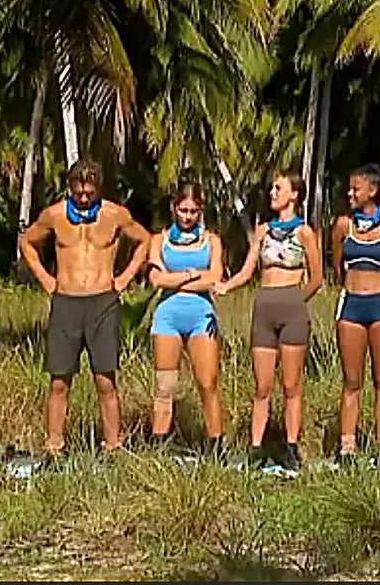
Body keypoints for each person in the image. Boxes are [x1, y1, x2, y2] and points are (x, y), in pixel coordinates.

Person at [19, 158, 152, 457]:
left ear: (98, 188)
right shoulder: (54, 215)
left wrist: (125, 278)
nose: (83, 198)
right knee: (59, 380)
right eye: (78, 192)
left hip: (102, 301)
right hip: (66, 301)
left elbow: (145, 240)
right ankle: (54, 446)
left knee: (105, 379)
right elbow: (27, 242)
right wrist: (46, 279)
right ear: (70, 187)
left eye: (89, 193)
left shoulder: (115, 214)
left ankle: (113, 446)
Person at [214, 171, 324, 473]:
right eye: (272, 188)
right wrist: (225, 286)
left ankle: (291, 446)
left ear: (295, 195)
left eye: (279, 188)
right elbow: (247, 270)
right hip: (263, 308)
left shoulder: (304, 232)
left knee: (291, 385)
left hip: (292, 310)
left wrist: (296, 301)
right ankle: (256, 447)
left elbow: (317, 278)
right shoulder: (262, 230)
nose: (273, 192)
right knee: (262, 386)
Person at [330, 164, 380, 463]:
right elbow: (337, 266)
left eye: (356, 189)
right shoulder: (343, 225)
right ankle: (347, 447)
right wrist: (352, 285)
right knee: (351, 380)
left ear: (373, 190)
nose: (350, 194)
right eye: (349, 189)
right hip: (351, 304)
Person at [145, 181, 225, 454]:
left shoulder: (211, 241)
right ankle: (158, 445)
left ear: (201, 211)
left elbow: (214, 278)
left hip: (201, 317)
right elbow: (156, 279)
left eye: (193, 211)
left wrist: (175, 281)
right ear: (173, 208)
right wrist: (192, 275)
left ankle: (215, 446)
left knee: (207, 383)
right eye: (183, 210)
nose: (188, 216)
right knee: (165, 386)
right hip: (167, 318)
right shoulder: (159, 240)